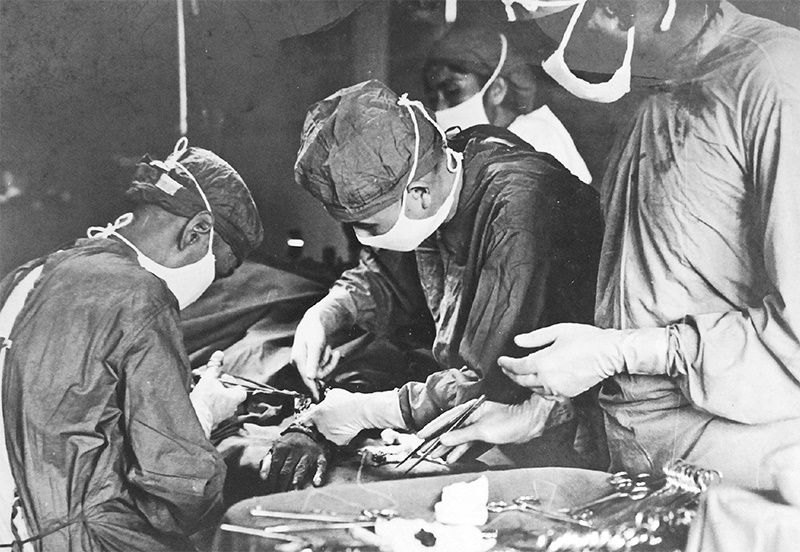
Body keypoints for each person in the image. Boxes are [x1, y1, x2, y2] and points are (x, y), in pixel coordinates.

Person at [444, 0, 800, 489]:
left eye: (560, 30)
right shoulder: (650, 97)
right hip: (633, 453)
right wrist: (547, 410)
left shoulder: (774, 80)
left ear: (619, 10)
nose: (556, 52)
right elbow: (642, 290)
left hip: (740, 466)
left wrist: (621, 352)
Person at [280, 79, 603, 483]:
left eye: (368, 225)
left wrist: (367, 411)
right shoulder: (443, 172)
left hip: (557, 426)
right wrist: (329, 312)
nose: (363, 239)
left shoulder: (517, 213)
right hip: (483, 411)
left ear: (418, 193)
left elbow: (494, 383)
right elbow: (388, 273)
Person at [0, 138, 264, 551]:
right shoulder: (141, 297)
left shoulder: (34, 272)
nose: (210, 284)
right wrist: (204, 410)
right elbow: (176, 483)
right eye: (220, 270)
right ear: (197, 231)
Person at [425, 24, 593, 185]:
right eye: (433, 99)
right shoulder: (466, 147)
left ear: (496, 90)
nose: (440, 109)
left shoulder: (536, 136)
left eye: (453, 92)